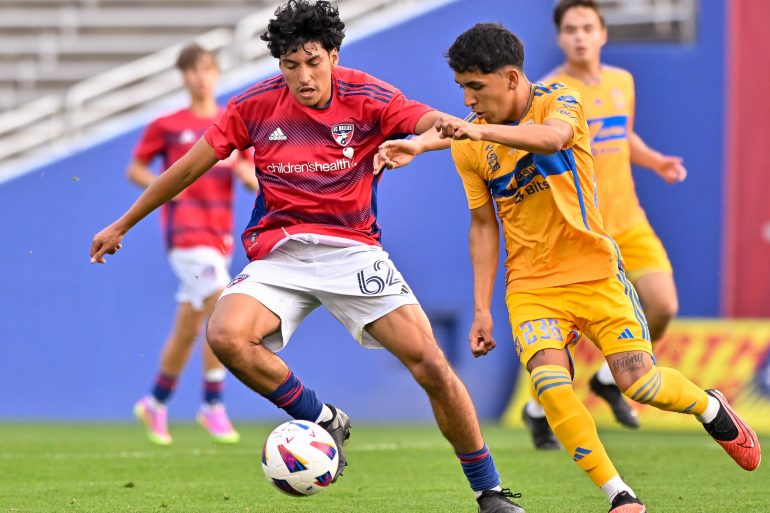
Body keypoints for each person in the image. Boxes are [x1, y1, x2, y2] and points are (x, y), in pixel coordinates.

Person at [91, 2, 524, 511]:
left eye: (314, 62)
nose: (304, 76)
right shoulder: (253, 105)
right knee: (225, 335)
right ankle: (322, 419)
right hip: (280, 254)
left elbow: (422, 118)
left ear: (333, 56)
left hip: (353, 252)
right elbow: (187, 168)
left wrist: (435, 134)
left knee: (430, 364)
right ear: (278, 65)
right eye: (290, 65)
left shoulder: (367, 95)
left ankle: (489, 489)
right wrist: (123, 223)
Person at [377, 22, 760, 513]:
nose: (468, 100)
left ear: (512, 78)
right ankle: (619, 495)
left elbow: (553, 139)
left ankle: (710, 407)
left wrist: (467, 132)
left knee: (640, 383)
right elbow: (482, 227)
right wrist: (480, 309)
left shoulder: (562, 99)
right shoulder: (471, 146)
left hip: (595, 273)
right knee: (552, 387)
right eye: (462, 90)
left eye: (476, 87)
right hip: (532, 287)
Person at [519, 0, 689, 448]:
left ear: (602, 33)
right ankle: (539, 409)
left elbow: (620, 134)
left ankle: (609, 382)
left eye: (587, 27)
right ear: (560, 37)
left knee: (663, 305)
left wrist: (656, 162)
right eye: (571, 29)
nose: (579, 36)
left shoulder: (622, 82)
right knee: (571, 327)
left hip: (629, 219)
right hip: (584, 229)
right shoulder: (551, 91)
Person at [127, 43, 258, 446]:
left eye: (207, 69)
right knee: (224, 301)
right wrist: (167, 186)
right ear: (183, 77)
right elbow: (135, 168)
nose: (200, 77)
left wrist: (243, 171)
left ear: (217, 74)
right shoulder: (168, 124)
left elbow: (253, 177)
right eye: (192, 70)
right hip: (185, 238)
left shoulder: (232, 122)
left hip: (219, 238)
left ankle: (156, 401)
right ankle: (213, 404)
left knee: (187, 329)